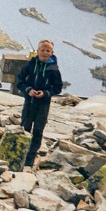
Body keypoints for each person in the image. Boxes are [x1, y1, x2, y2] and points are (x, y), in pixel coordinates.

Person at [11, 40, 64, 168]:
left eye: (47, 51)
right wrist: (28, 90)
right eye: (42, 50)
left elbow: (57, 88)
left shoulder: (54, 70)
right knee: (25, 128)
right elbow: (20, 80)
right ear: (38, 51)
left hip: (43, 104)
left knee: (38, 130)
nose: (45, 53)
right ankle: (19, 156)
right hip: (30, 102)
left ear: (52, 53)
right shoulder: (30, 65)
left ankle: (29, 160)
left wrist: (45, 93)